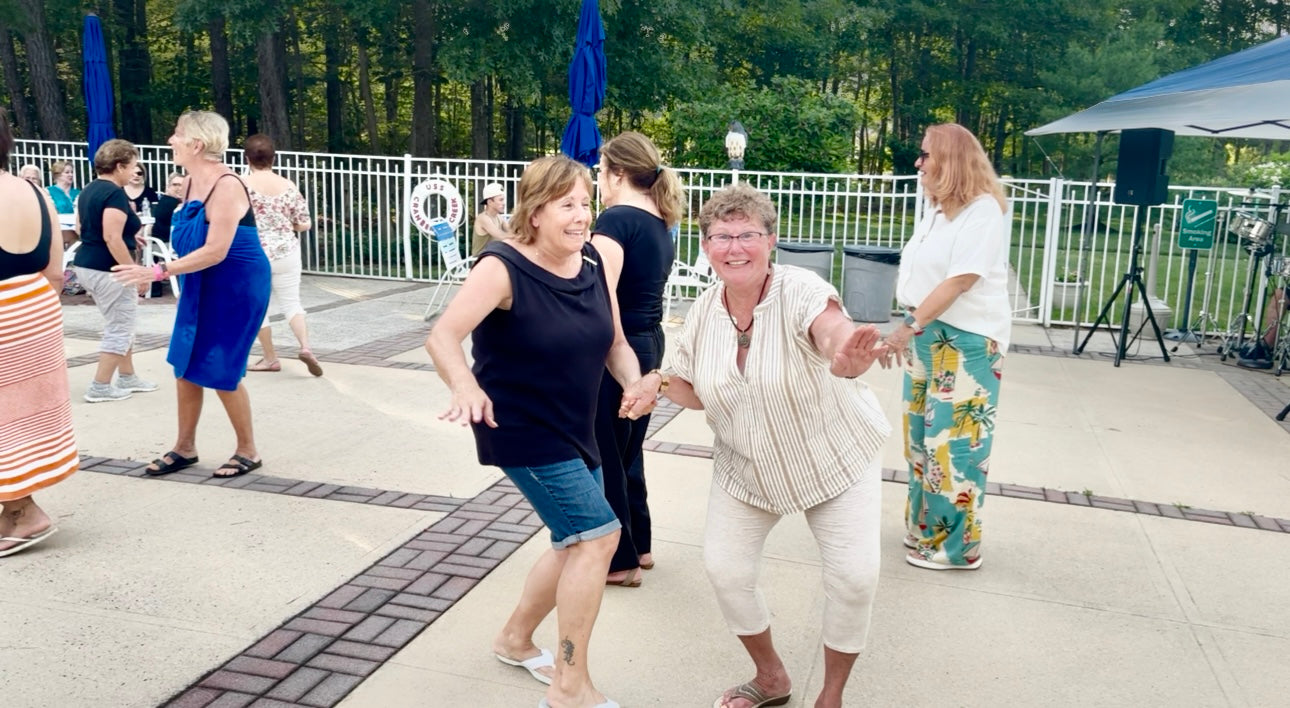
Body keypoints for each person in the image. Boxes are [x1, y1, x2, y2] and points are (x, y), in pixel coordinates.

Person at [621, 184, 890, 708]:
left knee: (855, 578)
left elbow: (831, 328)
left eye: (748, 234)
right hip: (747, 468)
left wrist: (845, 355)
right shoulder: (703, 310)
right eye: (722, 236)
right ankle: (771, 678)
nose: (735, 247)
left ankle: (831, 695)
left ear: (771, 241)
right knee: (726, 571)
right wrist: (656, 382)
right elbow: (695, 390)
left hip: (833, 458)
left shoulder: (799, 288)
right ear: (706, 246)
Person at [425, 155, 643, 708]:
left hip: (575, 425)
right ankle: (571, 687)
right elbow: (444, 337)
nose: (581, 216)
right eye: (567, 204)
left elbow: (615, 342)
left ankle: (514, 639)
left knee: (572, 541)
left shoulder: (592, 262)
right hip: (520, 427)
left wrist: (636, 384)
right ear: (536, 210)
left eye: (587, 203)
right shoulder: (501, 267)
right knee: (598, 536)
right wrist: (465, 386)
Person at [113, 110, 271, 479]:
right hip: (202, 279)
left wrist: (155, 271)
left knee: (219, 366)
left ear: (196, 144)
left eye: (177, 134)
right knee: (185, 364)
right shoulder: (188, 183)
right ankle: (185, 447)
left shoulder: (227, 184)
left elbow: (217, 250)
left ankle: (248, 450)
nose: (171, 139)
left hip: (235, 285)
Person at [883, 122, 1011, 571]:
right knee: (919, 440)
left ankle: (956, 549)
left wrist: (906, 327)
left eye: (926, 155)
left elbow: (960, 280)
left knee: (954, 447)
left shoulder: (983, 212)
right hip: (927, 334)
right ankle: (925, 529)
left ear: (950, 162)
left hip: (966, 341)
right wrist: (912, 325)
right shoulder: (938, 211)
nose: (918, 163)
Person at [590, 131, 684, 587]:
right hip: (650, 342)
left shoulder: (615, 221)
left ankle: (618, 560)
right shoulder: (658, 221)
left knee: (606, 450)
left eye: (601, 172)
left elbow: (600, 298)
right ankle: (640, 544)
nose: (598, 182)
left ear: (620, 173)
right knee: (628, 450)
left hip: (619, 345)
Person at [0, 107, 78, 558]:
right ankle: (15, 507)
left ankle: (24, 512)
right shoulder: (34, 192)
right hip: (34, 315)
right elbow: (54, 269)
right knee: (18, 419)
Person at [71, 139, 159, 403]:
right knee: (121, 325)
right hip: (107, 267)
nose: (135, 171)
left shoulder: (89, 190)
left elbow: (86, 228)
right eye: (132, 166)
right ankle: (100, 385)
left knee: (122, 320)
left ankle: (127, 375)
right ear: (119, 166)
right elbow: (111, 237)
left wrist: (132, 239)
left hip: (89, 262)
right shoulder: (113, 193)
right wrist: (134, 272)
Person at [242, 134, 321, 376]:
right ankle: (306, 347)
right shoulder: (288, 185)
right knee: (292, 303)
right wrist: (286, 226)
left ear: (247, 158)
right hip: (286, 250)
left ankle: (269, 357)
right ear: (273, 158)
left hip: (254, 252)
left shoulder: (240, 184)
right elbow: (304, 223)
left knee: (257, 307)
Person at [471, 182, 510, 255]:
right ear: (490, 202)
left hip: (493, 257)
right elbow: (501, 236)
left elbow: (511, 231)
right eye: (501, 200)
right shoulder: (483, 218)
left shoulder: (498, 217)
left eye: (504, 200)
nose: (504, 203)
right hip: (481, 261)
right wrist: (520, 237)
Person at [152, 172, 185, 243]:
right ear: (168, 187)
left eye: (183, 185)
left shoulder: (166, 200)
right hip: (166, 244)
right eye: (175, 185)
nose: (179, 188)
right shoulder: (171, 203)